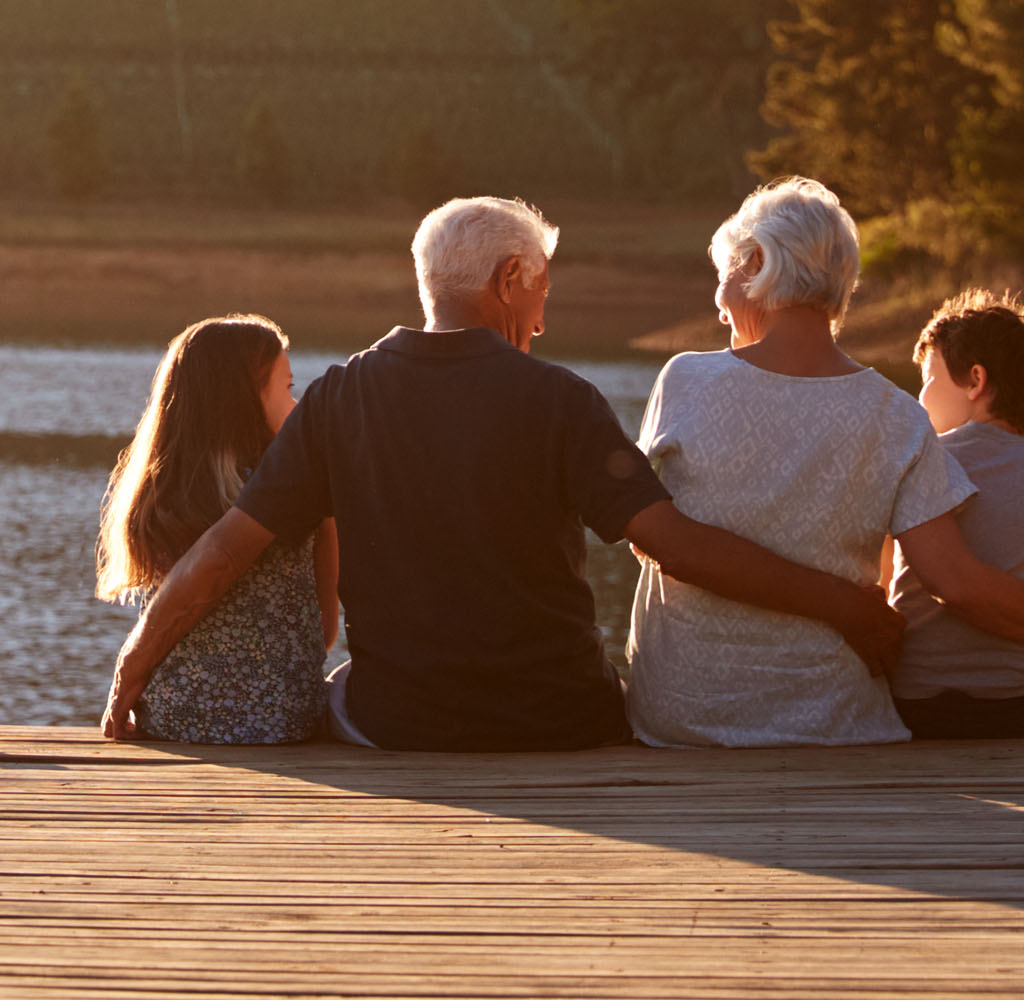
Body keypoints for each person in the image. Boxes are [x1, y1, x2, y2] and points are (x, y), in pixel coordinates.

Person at [102, 195, 904, 752]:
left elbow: (219, 555)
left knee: (344, 686)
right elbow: (673, 545)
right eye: (541, 290)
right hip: (559, 721)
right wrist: (848, 607)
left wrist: (129, 675)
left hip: (397, 725)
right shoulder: (562, 399)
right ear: (507, 282)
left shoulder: (339, 397)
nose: (544, 318)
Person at [626, 178, 1024, 748]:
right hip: (833, 718)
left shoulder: (686, 380)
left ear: (758, 263)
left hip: (684, 715)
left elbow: (648, 540)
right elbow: (952, 580)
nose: (719, 307)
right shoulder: (895, 414)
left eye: (723, 279)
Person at [95, 314, 338, 744]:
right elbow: (324, 629)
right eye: (287, 388)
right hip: (282, 722)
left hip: (177, 716)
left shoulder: (163, 492)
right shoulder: (296, 487)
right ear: (244, 398)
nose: (297, 406)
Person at [889, 290, 1024, 738]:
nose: (920, 395)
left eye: (927, 379)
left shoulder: (919, 461)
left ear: (975, 381)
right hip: (1013, 705)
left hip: (917, 705)